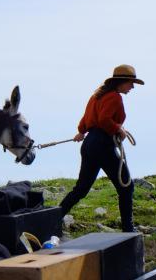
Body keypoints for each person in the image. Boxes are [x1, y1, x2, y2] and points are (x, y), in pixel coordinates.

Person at [59, 64, 143, 232]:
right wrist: (118, 129)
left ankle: (53, 217)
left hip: (90, 143)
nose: (132, 87)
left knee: (81, 189)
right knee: (126, 186)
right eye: (131, 83)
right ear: (121, 82)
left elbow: (85, 120)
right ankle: (128, 229)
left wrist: (82, 132)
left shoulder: (96, 96)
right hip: (102, 143)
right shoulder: (115, 97)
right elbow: (105, 120)